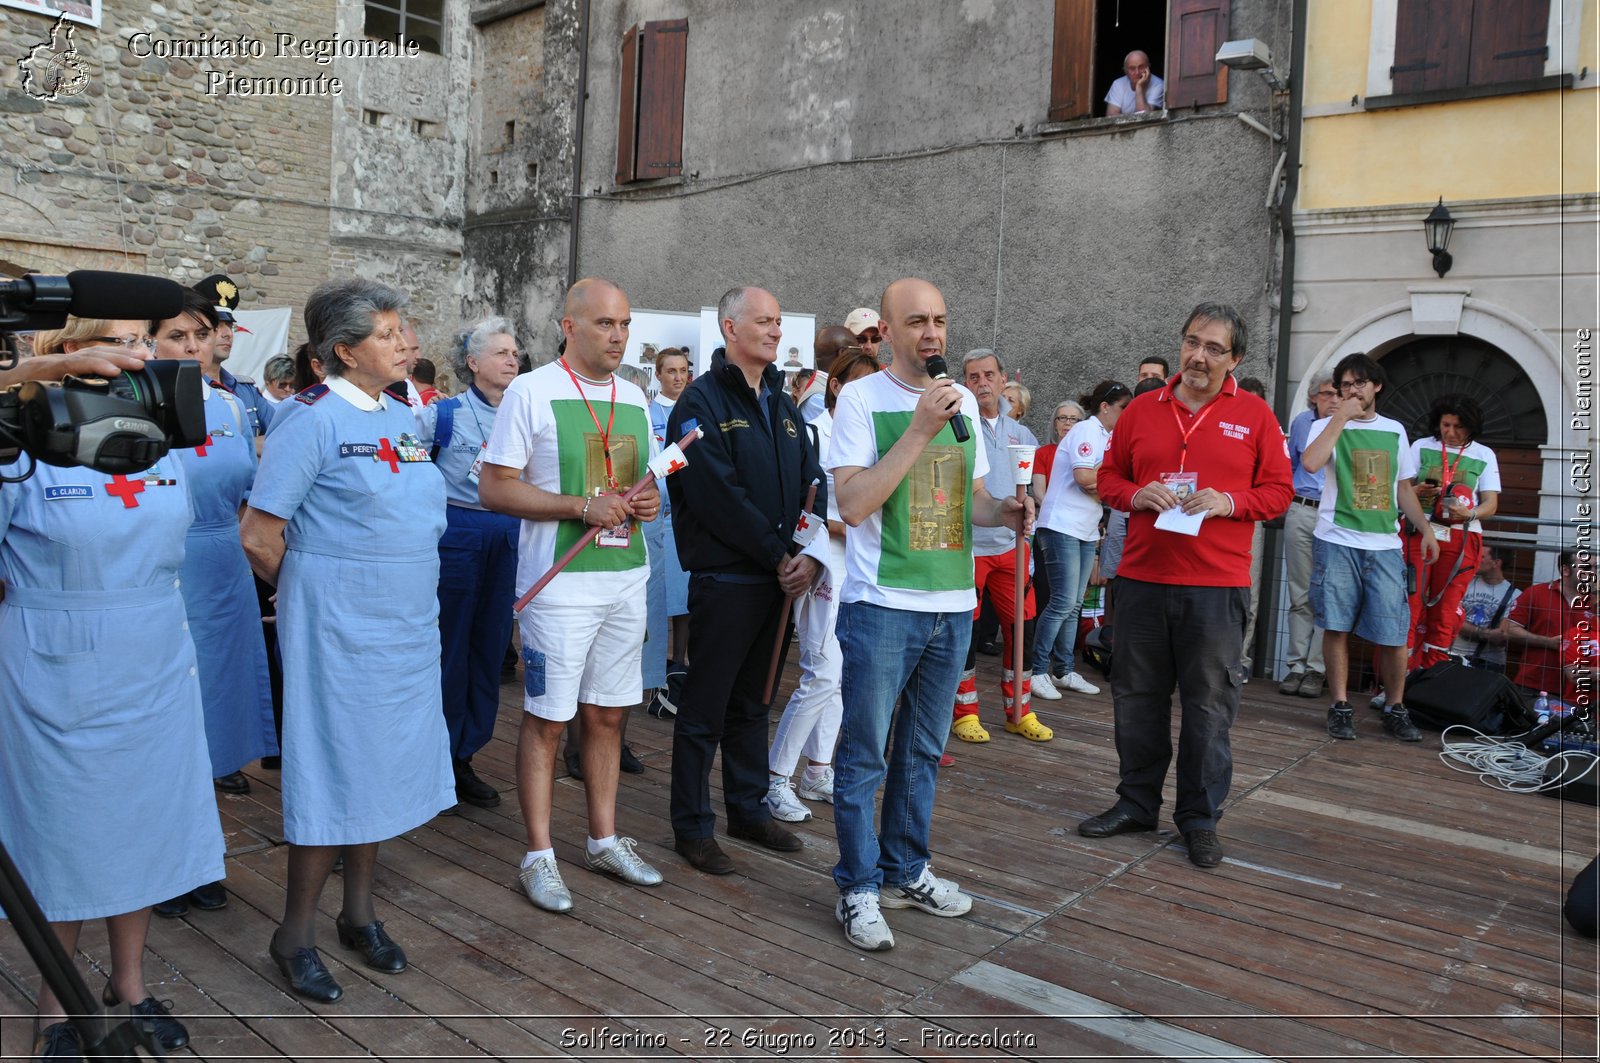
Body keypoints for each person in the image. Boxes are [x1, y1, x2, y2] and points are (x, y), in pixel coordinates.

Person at [3, 319, 224, 1058]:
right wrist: (27, 380)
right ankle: (56, 1010)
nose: (131, 350)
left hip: (156, 653)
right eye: (114, 336)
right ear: (71, 347)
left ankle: (127, 983)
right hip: (57, 659)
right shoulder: (23, 433)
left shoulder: (159, 432)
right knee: (63, 839)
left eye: (141, 337)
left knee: (143, 825)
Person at [240, 278, 455, 1003]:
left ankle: (358, 912)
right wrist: (319, 593)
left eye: (403, 327)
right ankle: (293, 931)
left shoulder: (402, 414)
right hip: (339, 625)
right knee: (333, 772)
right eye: (388, 332)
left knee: (382, 767)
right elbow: (261, 534)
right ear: (343, 350)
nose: (405, 341)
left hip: (405, 623)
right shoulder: (313, 419)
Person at [828, 277, 1032, 950]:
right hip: (884, 603)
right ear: (885, 332)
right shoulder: (859, 399)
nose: (933, 333)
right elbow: (854, 503)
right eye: (917, 321)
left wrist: (1003, 511)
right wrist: (919, 428)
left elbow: (967, 497)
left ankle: (906, 868)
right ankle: (857, 886)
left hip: (952, 603)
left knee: (922, 749)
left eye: (940, 319)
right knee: (864, 754)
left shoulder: (966, 403)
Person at [1080, 303, 1292, 869]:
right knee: (1136, 700)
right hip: (1143, 580)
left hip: (1215, 588)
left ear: (1235, 358)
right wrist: (1134, 494)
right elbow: (1107, 478)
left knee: (1208, 709)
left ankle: (1199, 819)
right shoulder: (1143, 410)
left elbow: (1278, 493)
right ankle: (1136, 803)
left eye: (1214, 348)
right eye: (1192, 342)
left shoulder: (1255, 417)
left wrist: (1229, 502)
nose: (1199, 356)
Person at [478, 278, 665, 912]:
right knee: (548, 720)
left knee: (610, 715)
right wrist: (580, 507)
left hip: (625, 577)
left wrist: (646, 500)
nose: (618, 335)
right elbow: (495, 489)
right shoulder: (532, 391)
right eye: (606, 323)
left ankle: (604, 838)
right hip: (557, 587)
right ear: (569, 325)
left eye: (625, 324)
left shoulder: (635, 396)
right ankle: (537, 854)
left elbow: (647, 489)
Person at [664, 286, 830, 874]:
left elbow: (816, 481)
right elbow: (712, 493)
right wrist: (774, 553)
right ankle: (692, 825)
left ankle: (747, 808)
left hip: (779, 579)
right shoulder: (698, 404)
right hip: (729, 577)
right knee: (705, 708)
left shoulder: (784, 405)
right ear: (730, 328)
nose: (776, 331)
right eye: (764, 321)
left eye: (779, 322)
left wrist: (809, 552)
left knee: (754, 702)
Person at [148, 290, 277, 917]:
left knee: (215, 712)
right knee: (165, 717)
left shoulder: (230, 404)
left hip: (225, 567)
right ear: (149, 343)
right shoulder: (132, 407)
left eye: (200, 335)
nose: (192, 346)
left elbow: (254, 491)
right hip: (163, 571)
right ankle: (159, 860)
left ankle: (199, 854)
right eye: (176, 336)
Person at [767, 344, 882, 821]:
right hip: (821, 561)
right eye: (857, 382)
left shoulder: (872, 434)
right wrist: (834, 528)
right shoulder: (812, 431)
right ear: (835, 384)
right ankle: (775, 778)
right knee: (822, 673)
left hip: (861, 565)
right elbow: (795, 505)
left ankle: (818, 769)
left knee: (841, 678)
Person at [1301, 352, 1439, 743]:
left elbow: (1401, 488)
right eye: (1345, 384)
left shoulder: (1396, 430)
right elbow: (1310, 464)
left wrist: (1425, 529)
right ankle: (1340, 705)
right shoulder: (1326, 426)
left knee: (1395, 631)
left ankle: (1396, 706)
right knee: (1336, 624)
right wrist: (1340, 418)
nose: (1352, 390)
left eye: (1359, 383)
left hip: (1385, 545)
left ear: (1376, 386)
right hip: (1336, 539)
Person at [418, 317, 524, 812]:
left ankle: (466, 753)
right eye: (501, 352)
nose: (511, 360)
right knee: (449, 645)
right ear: (473, 362)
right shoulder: (443, 415)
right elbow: (412, 475)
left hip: (507, 530)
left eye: (515, 353)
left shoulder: (525, 413)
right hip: (455, 531)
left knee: (490, 644)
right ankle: (435, 753)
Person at [951, 347, 1053, 741]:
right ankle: (965, 712)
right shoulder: (958, 424)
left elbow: (1029, 490)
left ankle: (1019, 710)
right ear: (964, 382)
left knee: (1021, 630)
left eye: (988, 375)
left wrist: (1030, 509)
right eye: (973, 377)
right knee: (968, 635)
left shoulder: (1021, 434)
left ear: (1002, 377)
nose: (981, 383)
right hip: (969, 547)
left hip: (1011, 547)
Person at [1033, 380, 1132, 700]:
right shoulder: (1088, 431)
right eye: (1123, 409)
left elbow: (1101, 483)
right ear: (1105, 407)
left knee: (1074, 604)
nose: (1127, 415)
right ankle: (1036, 671)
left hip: (1084, 528)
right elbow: (1085, 478)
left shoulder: (1107, 435)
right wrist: (1115, 482)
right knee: (1062, 601)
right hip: (1062, 525)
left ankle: (1062, 670)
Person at [1404, 394, 1501, 669]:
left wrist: (1469, 513)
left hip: (1461, 536)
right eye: (1445, 425)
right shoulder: (1421, 446)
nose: (1450, 432)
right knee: (1410, 606)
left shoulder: (1484, 454)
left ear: (1471, 427)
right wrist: (1416, 491)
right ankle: (1398, 682)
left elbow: (1491, 504)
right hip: (1419, 531)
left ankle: (1430, 677)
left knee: (1445, 610)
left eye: (1458, 427)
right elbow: (1400, 491)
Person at [1279, 372, 1338, 697]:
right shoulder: (1302, 422)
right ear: (1314, 396)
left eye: (1337, 394)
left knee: (1326, 594)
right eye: (1327, 394)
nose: (1333, 400)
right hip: (1301, 508)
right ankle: (1296, 667)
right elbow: (1289, 464)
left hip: (1333, 515)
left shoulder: (1346, 426)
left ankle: (1317, 670)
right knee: (1299, 594)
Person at [649, 346, 694, 683]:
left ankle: (679, 661)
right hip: (652, 515)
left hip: (683, 516)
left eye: (683, 371)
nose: (678, 378)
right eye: (671, 372)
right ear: (658, 374)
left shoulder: (694, 413)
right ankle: (650, 662)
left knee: (682, 595)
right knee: (652, 595)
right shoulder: (647, 412)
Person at [1504, 549, 1595, 701]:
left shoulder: (1595, 602)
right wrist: (1547, 642)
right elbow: (1509, 630)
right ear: (1565, 570)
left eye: (1595, 567)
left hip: (1580, 690)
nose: (1593, 572)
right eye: (1586, 567)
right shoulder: (1536, 593)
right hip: (1535, 685)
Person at [194, 273, 275, 442]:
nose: (227, 334)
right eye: (217, 326)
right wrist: (251, 445)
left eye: (230, 326)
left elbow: (283, 433)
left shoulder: (247, 390)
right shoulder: (189, 388)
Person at [1450, 545, 1521, 672]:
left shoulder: (1515, 595)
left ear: (1496, 563)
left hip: (1491, 662)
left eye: (1481, 557)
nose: (1475, 559)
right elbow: (1453, 620)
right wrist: (1486, 633)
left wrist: (1468, 627)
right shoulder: (1464, 583)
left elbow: (1501, 636)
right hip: (1456, 656)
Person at [798, 325, 857, 423]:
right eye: (857, 349)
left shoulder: (824, 389)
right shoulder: (818, 398)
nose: (861, 354)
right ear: (843, 353)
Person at [1105, 49, 1165, 115]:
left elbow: (1144, 116)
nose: (1137, 72)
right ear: (1125, 71)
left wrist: (1139, 87)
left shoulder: (1159, 85)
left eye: (1141, 67)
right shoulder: (1118, 84)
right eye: (1132, 68)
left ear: (1148, 67)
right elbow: (1111, 116)